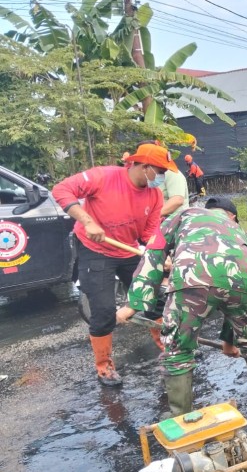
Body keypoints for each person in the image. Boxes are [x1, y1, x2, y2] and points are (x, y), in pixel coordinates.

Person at [116, 198, 247, 417]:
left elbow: (154, 252)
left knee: (178, 350)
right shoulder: (239, 231)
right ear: (232, 215)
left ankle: (183, 418)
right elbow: (246, 279)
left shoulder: (185, 215)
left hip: (192, 278)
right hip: (242, 283)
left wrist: (133, 304)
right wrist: (229, 342)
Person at [52, 143, 168, 386]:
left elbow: (149, 234)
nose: (162, 178)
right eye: (160, 171)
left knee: (155, 298)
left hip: (128, 250)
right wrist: (87, 221)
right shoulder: (103, 176)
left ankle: (168, 350)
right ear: (144, 166)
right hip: (96, 250)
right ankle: (104, 367)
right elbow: (62, 189)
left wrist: (161, 255)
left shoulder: (154, 194)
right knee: (104, 311)